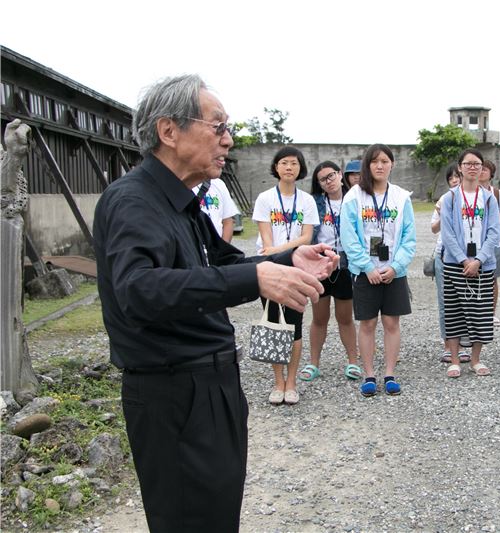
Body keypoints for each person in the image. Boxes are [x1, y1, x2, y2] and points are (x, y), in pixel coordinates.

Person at [93, 75, 337, 532]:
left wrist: (288, 258)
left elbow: (223, 261)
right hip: (173, 392)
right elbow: (139, 290)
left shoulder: (181, 203)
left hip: (211, 384)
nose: (228, 139)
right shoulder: (132, 200)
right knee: (189, 520)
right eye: (218, 126)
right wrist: (256, 276)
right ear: (169, 132)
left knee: (216, 515)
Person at [341, 144, 416, 397]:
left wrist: (396, 267)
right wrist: (366, 266)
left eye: (385, 160)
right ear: (367, 165)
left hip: (394, 272)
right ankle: (370, 374)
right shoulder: (354, 197)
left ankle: (390, 374)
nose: (380, 165)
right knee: (368, 323)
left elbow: (409, 238)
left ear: (392, 164)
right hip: (365, 273)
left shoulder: (401, 197)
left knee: (391, 323)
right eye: (374, 161)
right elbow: (349, 237)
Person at [252, 146, 320, 405]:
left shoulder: (306, 201)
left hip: (297, 269)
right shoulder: (265, 199)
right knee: (273, 325)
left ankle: (291, 382)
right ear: (276, 168)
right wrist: (276, 253)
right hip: (269, 269)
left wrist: (280, 250)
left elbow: (307, 237)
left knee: (294, 327)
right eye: (284, 163)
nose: (289, 167)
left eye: (294, 163)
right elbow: (265, 236)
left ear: (300, 168)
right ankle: (277, 381)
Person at [440, 149, 500, 378]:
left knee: (481, 312)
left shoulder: (488, 198)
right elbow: (447, 233)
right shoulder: (450, 198)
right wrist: (464, 259)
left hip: (483, 264)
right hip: (455, 263)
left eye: (477, 164)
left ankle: (476, 359)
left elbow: (494, 232)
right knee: (454, 311)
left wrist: (479, 260)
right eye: (468, 163)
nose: (473, 167)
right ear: (460, 167)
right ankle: (454, 359)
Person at [306, 161, 361, 381]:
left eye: (331, 176)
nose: (328, 182)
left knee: (345, 317)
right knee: (319, 317)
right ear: (318, 184)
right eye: (322, 179)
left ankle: (353, 362)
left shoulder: (354, 200)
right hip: (321, 262)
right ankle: (313, 363)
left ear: (340, 175)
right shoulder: (316, 203)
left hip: (345, 263)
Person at [431, 163, 470, 364]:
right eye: (451, 178)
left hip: (466, 257)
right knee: (446, 302)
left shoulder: (472, 200)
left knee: (466, 302)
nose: (454, 180)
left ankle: (463, 345)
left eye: (457, 176)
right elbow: (434, 228)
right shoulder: (444, 199)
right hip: (444, 255)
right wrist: (442, 212)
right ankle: (448, 345)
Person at [478, 160, 500, 327]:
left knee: (493, 278)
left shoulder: (497, 194)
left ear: (491, 173)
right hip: (475, 243)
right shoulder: (468, 191)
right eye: (480, 169)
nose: (482, 172)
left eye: (485, 169)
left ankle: (491, 313)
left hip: (494, 243)